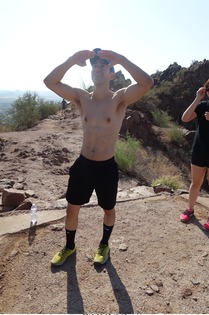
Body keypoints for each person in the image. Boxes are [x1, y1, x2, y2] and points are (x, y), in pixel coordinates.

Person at [44, 48, 153, 266]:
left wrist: (121, 59)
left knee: (109, 209)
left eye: (103, 66)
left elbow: (146, 83)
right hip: (83, 164)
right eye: (95, 65)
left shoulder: (120, 98)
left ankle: (104, 244)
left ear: (112, 74)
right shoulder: (81, 97)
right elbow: (50, 82)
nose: (98, 68)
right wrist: (71, 60)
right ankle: (69, 246)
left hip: (106, 167)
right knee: (71, 208)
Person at [180, 79, 209, 230]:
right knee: (195, 183)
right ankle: (190, 210)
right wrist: (198, 98)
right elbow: (185, 118)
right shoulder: (203, 105)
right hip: (199, 151)